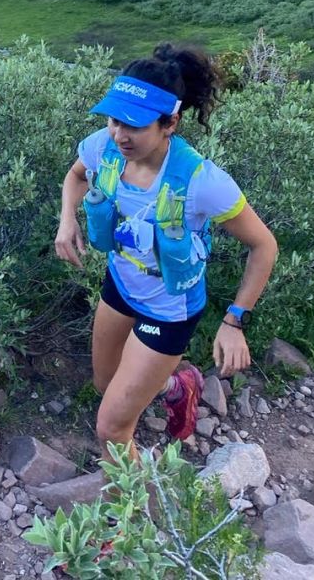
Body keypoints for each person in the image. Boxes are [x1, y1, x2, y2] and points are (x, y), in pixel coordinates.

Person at [55, 42, 277, 460]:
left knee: (111, 427)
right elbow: (76, 176)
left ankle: (129, 502)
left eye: (134, 125)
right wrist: (67, 219)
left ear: (170, 123)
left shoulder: (201, 181)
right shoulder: (104, 147)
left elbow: (264, 245)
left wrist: (234, 321)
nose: (119, 134)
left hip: (169, 307)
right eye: (114, 119)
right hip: (121, 284)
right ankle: (178, 385)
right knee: (105, 385)